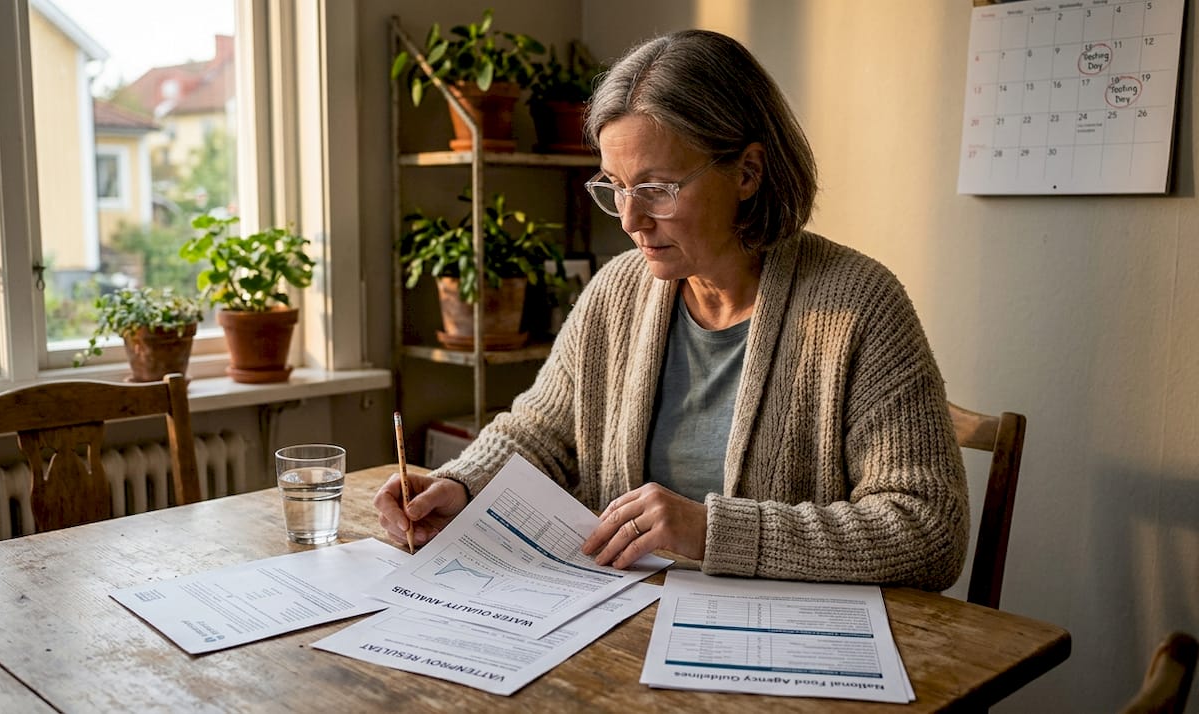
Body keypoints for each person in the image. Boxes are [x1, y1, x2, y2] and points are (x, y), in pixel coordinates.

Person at [375, 29, 968, 590]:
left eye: (657, 188)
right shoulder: (617, 292)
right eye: (614, 186)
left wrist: (713, 533)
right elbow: (541, 431)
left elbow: (929, 530)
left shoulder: (859, 306)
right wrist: (460, 483)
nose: (631, 221)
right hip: (619, 624)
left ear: (748, 172)